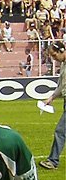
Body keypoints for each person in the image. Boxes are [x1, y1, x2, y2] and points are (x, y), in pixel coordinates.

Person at [38, 42, 65, 170]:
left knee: (60, 131)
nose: (54, 59)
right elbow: (62, 86)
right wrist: (52, 98)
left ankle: (53, 161)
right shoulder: (64, 65)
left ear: (62, 51)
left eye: (55, 55)